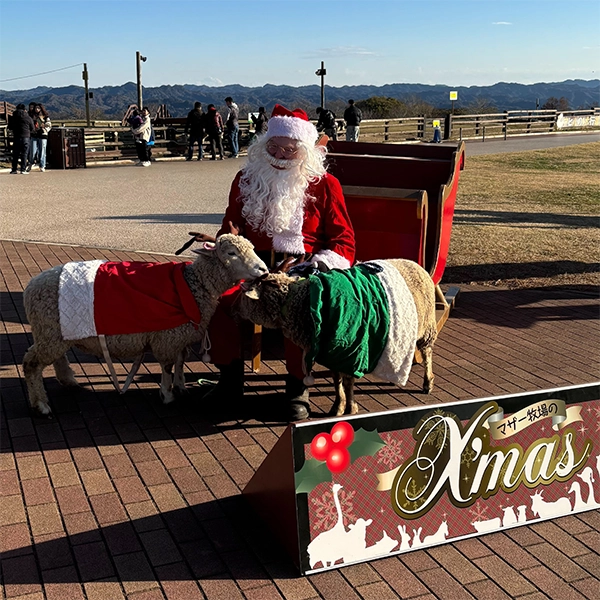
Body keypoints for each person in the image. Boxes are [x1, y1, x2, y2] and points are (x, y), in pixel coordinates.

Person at [203, 104, 355, 421]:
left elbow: (344, 241)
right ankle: (230, 381)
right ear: (263, 145)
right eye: (274, 147)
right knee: (218, 302)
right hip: (250, 266)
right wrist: (224, 240)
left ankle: (297, 389)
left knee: (297, 308)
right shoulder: (245, 179)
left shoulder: (325, 185)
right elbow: (229, 228)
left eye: (290, 149)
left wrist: (318, 266)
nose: (281, 155)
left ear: (305, 151)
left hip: (300, 268)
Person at [8, 103, 35, 174]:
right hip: (26, 136)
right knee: (24, 154)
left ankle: (14, 169)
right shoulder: (28, 117)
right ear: (24, 109)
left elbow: (10, 127)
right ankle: (23, 169)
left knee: (15, 154)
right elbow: (32, 128)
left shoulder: (13, 117)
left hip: (16, 137)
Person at [27, 103, 52, 172]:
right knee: (32, 151)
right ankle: (31, 163)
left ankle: (42, 165)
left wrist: (44, 129)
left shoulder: (45, 116)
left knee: (42, 151)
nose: (37, 109)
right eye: (36, 108)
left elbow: (49, 125)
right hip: (34, 135)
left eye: (38, 108)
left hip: (43, 135)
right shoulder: (31, 116)